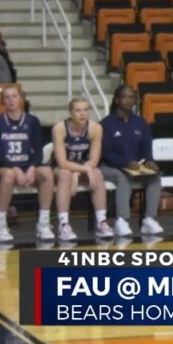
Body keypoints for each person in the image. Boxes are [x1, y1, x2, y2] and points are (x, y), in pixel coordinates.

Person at [0, 84, 54, 242]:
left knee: (46, 172)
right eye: (7, 97)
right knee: (9, 174)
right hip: (4, 168)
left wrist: (31, 168)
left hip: (26, 167)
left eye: (14, 96)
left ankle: (43, 223)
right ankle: (0, 224)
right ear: (2, 101)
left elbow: (38, 152)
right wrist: (15, 168)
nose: (11, 100)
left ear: (21, 98)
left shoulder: (32, 121)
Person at [100, 85, 164, 238]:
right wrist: (125, 163)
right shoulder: (106, 124)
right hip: (108, 167)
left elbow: (147, 148)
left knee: (155, 177)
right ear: (116, 100)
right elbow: (106, 153)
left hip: (133, 166)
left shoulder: (140, 123)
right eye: (125, 97)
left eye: (132, 97)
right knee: (124, 177)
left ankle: (149, 219)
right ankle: (121, 220)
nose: (129, 100)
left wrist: (149, 161)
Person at [51, 98, 113, 241]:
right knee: (66, 174)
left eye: (85, 110)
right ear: (70, 113)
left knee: (97, 173)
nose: (82, 114)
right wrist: (81, 171)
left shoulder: (96, 128)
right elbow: (62, 162)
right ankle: (63, 224)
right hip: (61, 168)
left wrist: (79, 173)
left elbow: (94, 159)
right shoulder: (59, 128)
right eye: (78, 110)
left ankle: (101, 222)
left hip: (83, 167)